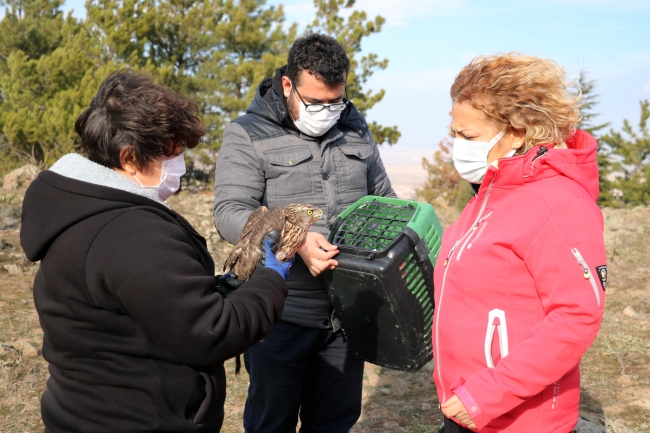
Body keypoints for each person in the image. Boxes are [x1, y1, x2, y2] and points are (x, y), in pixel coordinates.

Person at [20, 70, 291, 433]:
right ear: (130, 157)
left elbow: (145, 301)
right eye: (171, 152)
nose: (178, 162)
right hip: (138, 419)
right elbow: (211, 331)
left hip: (82, 410)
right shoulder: (130, 232)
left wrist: (221, 287)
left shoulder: (77, 208)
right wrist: (272, 277)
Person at [213, 33, 395, 432]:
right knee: (270, 423)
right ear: (286, 85)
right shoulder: (248, 134)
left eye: (337, 101)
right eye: (315, 103)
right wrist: (294, 241)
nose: (327, 111)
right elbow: (229, 213)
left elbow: (384, 201)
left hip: (346, 315)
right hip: (279, 313)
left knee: (334, 422)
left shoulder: (356, 130)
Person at [431, 53, 607, 433]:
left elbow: (575, 317)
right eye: (454, 134)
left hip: (520, 419)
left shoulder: (560, 203)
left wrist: (484, 396)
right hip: (468, 407)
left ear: (517, 131)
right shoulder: (491, 192)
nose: (458, 147)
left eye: (469, 136)